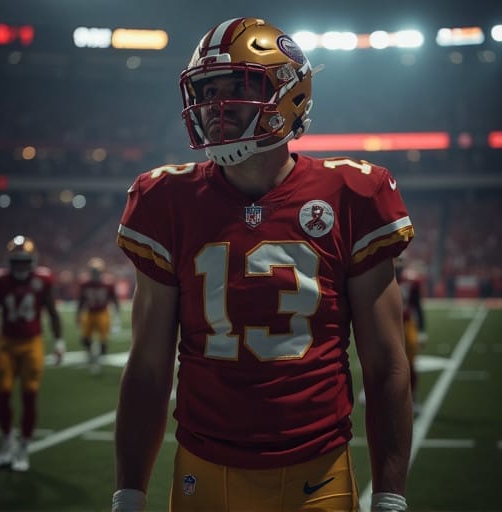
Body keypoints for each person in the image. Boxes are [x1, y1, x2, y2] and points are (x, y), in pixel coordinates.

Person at [113, 17, 414, 512]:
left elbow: (385, 365)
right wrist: (127, 494)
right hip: (203, 469)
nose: (214, 107)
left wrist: (391, 495)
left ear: (288, 94)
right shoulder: (164, 198)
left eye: (237, 87)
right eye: (206, 91)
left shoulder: (354, 193)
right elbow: (147, 366)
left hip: (319, 472)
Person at [0, 235, 65, 472]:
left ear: (32, 260)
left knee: (29, 395)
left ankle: (22, 448)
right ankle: (6, 444)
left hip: (32, 343)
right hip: (7, 343)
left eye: (24, 260)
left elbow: (52, 312)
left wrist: (60, 341)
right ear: (9, 261)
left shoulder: (43, 280)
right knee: (2, 394)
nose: (21, 265)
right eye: (17, 260)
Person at [395, 256, 428, 417]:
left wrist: (422, 331)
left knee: (410, 363)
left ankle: (413, 399)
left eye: (401, 259)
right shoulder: (380, 276)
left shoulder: (411, 280)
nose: (398, 263)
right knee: (376, 359)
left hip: (406, 324)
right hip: (385, 322)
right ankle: (367, 391)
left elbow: (417, 305)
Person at [76, 257, 120, 373]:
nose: (95, 274)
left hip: (102, 313)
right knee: (85, 338)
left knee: (103, 339)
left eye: (97, 271)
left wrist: (116, 313)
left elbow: (114, 299)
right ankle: (90, 354)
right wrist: (78, 314)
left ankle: (100, 359)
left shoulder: (108, 283)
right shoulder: (85, 283)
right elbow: (81, 300)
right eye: (93, 271)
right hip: (90, 312)